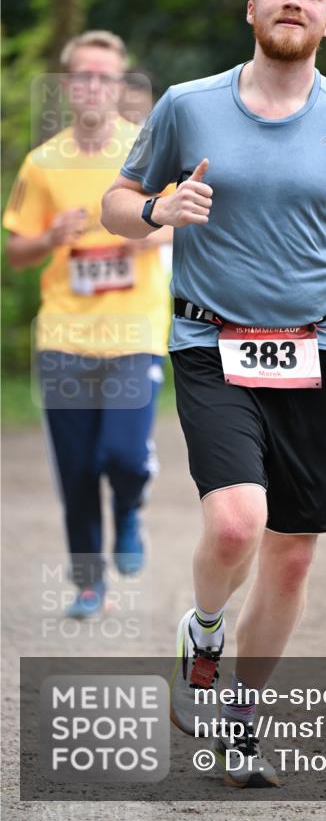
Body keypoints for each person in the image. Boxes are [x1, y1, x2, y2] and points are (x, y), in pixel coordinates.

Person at [101, 0, 326, 786]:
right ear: (251, 9)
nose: (292, 1)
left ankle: (238, 717)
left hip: (317, 347)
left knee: (291, 552)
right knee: (240, 522)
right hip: (212, 342)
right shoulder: (187, 106)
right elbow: (114, 204)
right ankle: (203, 631)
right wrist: (156, 208)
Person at [4, 31, 173, 618]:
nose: (93, 86)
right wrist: (50, 238)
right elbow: (16, 250)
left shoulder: (148, 150)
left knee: (122, 456)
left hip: (133, 332)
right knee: (75, 470)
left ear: (119, 85)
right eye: (82, 76)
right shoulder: (43, 162)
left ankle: (129, 508)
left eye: (104, 76)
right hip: (64, 337)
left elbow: (181, 221)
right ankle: (86, 581)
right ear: (67, 85)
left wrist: (144, 236)